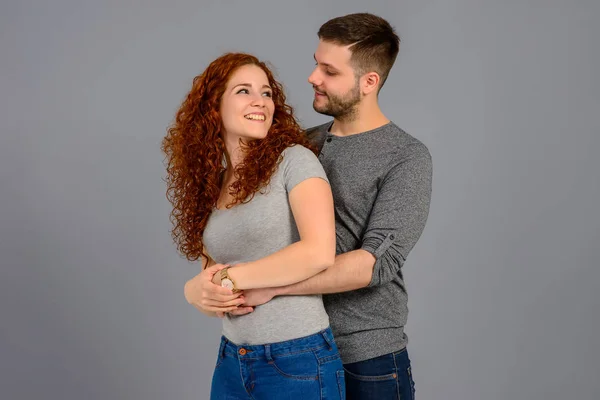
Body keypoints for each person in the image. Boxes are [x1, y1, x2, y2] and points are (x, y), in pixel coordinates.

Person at [196, 13, 433, 399]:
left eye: (329, 71)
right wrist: (205, 287)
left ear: (368, 82)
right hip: (288, 350)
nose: (312, 77)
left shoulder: (406, 157)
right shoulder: (300, 146)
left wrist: (271, 286)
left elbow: (375, 264)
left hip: (365, 356)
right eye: (315, 63)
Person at [161, 52, 346, 400]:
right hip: (233, 358)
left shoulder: (294, 161)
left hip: (298, 359)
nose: (261, 101)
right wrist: (195, 292)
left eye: (267, 92)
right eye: (244, 91)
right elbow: (210, 271)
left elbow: (319, 251)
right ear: (213, 107)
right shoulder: (213, 183)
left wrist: (232, 280)